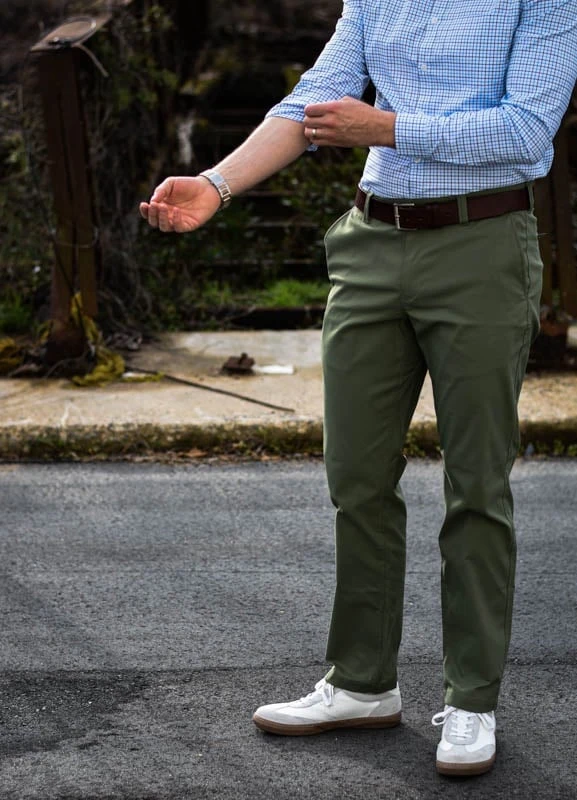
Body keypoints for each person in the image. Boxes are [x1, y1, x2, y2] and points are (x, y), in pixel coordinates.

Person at [141, 0, 577, 777]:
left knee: (476, 483)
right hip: (370, 245)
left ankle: (471, 700)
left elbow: (523, 130)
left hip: (480, 244)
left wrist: (387, 128)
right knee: (355, 478)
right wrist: (217, 182)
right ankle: (361, 683)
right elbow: (310, 100)